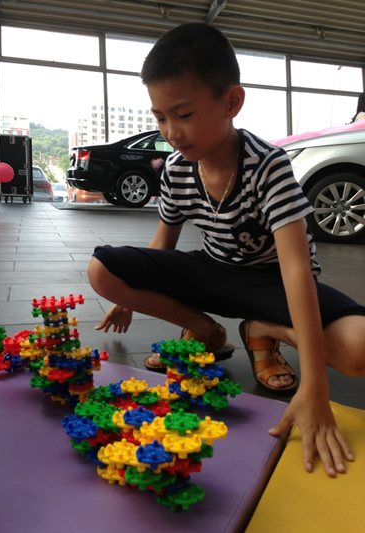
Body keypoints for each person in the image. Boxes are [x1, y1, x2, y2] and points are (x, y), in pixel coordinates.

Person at [87, 23, 365, 478]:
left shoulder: (269, 165)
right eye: (160, 118)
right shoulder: (177, 168)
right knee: (102, 269)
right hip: (213, 270)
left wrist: (316, 388)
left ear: (231, 102)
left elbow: (296, 270)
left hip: (273, 283)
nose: (171, 132)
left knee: (359, 352)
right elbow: (164, 244)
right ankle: (207, 332)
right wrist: (127, 293)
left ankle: (264, 328)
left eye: (183, 114)